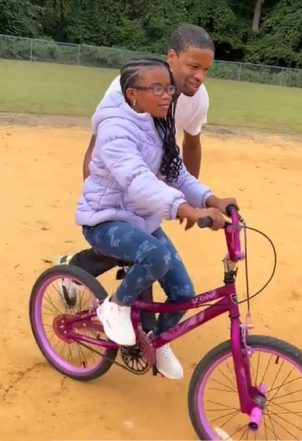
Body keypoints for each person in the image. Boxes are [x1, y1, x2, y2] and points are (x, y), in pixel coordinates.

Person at [77, 58, 236, 380]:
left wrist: (211, 199)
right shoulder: (115, 130)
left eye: (169, 89)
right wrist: (185, 209)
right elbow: (138, 181)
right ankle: (116, 305)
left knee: (183, 294)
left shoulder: (159, 123)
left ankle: (156, 340)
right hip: (106, 219)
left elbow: (177, 175)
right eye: (157, 89)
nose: (167, 96)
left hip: (141, 220)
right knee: (157, 255)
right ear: (133, 95)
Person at [54, 23, 215, 270]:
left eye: (206, 70)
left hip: (149, 182)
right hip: (121, 177)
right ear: (172, 57)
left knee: (140, 245)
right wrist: (97, 200)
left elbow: (192, 144)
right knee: (124, 240)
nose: (200, 77)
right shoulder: (128, 88)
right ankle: (75, 269)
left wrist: (188, 201)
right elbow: (97, 143)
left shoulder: (199, 98)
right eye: (193, 67)